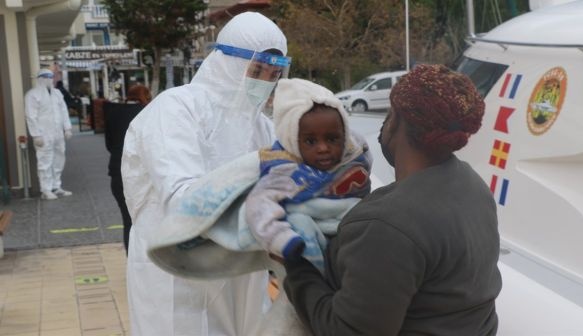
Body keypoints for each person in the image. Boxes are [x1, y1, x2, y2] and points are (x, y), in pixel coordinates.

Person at [283, 64, 503, 335]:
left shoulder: (388, 225)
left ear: (396, 120)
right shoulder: (473, 187)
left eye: (389, 113)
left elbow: (345, 330)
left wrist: (296, 267)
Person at [120, 12, 289, 335]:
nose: (264, 81)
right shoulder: (176, 109)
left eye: (272, 73)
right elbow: (184, 200)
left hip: (240, 269)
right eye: (256, 70)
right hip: (177, 270)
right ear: (226, 62)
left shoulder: (261, 126)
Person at [245, 78, 371, 266]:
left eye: (332, 139)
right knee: (298, 221)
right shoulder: (284, 170)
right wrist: (281, 240)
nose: (323, 148)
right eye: (310, 141)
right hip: (308, 232)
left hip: (351, 228)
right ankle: (314, 268)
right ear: (292, 141)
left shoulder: (354, 152)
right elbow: (258, 206)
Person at [104, 85, 151, 254]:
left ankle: (131, 261)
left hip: (117, 172)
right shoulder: (147, 113)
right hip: (143, 175)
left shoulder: (113, 113)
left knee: (128, 221)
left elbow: (109, 144)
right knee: (146, 221)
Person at [25, 68, 73, 200]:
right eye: (46, 77)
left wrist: (67, 128)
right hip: (43, 134)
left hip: (58, 133)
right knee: (45, 161)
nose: (49, 80)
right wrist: (36, 134)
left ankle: (56, 186)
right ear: (40, 79)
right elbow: (31, 116)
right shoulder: (32, 95)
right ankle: (45, 189)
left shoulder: (57, 93)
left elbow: (63, 111)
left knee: (59, 158)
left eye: (51, 77)